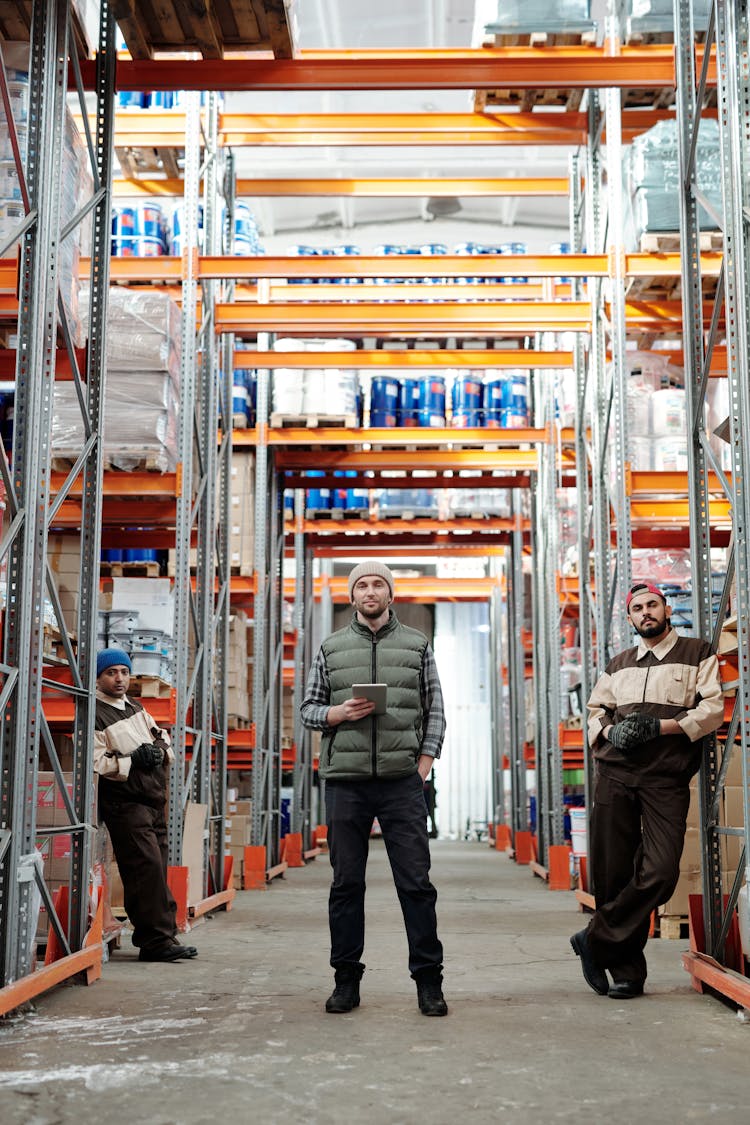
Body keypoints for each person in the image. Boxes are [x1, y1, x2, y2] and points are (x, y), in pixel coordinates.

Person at [300, 561, 448, 1016]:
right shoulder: (331, 647)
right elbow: (307, 709)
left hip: (402, 782)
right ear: (352, 595)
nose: (370, 590)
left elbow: (435, 709)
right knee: (346, 884)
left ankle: (429, 981)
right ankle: (346, 979)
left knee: (416, 884)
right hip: (346, 783)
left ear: (390, 593)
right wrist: (337, 714)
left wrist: (423, 763)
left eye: (377, 583)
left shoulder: (416, 644)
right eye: (361, 584)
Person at [571, 582, 724, 999]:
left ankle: (594, 939)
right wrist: (610, 731)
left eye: (652, 604)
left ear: (666, 608)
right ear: (630, 617)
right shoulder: (619, 663)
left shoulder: (698, 653)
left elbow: (712, 710)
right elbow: (594, 712)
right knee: (613, 873)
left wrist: (661, 727)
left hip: (665, 778)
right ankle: (627, 973)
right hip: (615, 775)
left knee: (659, 871)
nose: (646, 612)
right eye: (637, 608)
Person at [95, 648, 198, 963]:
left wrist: (157, 751)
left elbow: (163, 737)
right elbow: (96, 762)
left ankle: (162, 936)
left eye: (124, 672)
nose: (120, 678)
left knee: (156, 870)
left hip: (153, 800)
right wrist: (131, 760)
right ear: (99, 677)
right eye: (112, 672)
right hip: (126, 803)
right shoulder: (95, 713)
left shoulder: (136, 708)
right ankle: (155, 941)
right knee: (146, 868)